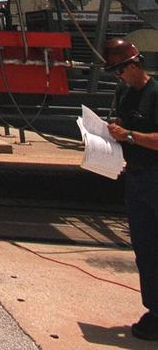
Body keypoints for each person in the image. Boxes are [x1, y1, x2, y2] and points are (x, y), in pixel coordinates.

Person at [106, 37, 158, 341]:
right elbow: (122, 126)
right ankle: (154, 311)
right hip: (136, 179)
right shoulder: (124, 92)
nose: (117, 77)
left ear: (135, 64)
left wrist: (128, 137)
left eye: (120, 71)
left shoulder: (155, 94)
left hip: (155, 177)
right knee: (145, 249)